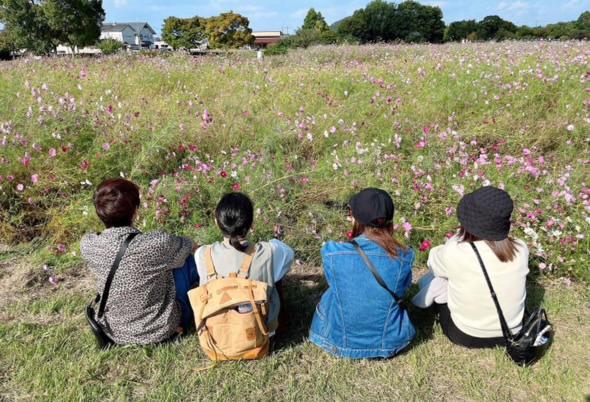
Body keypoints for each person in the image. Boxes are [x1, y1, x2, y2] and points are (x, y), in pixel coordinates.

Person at [81, 178, 199, 345]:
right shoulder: (155, 243)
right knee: (186, 261)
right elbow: (190, 246)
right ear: (135, 211)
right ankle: (187, 315)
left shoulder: (88, 244)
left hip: (115, 331)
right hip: (157, 330)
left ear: (100, 212)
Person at [412, 186, 529, 348]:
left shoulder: (456, 250)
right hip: (513, 331)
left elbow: (433, 264)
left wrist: (453, 241)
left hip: (466, 335)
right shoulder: (521, 249)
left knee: (439, 279)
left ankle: (419, 305)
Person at [309, 188, 416, 359]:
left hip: (340, 340)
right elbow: (403, 289)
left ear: (355, 219)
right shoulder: (404, 257)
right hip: (389, 342)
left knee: (334, 291)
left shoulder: (332, 252)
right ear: (389, 220)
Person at [194, 192, 294, 337]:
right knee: (274, 272)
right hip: (260, 334)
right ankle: (277, 325)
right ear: (251, 223)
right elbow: (289, 255)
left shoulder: (203, 254)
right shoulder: (270, 251)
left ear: (217, 222)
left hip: (217, 336)